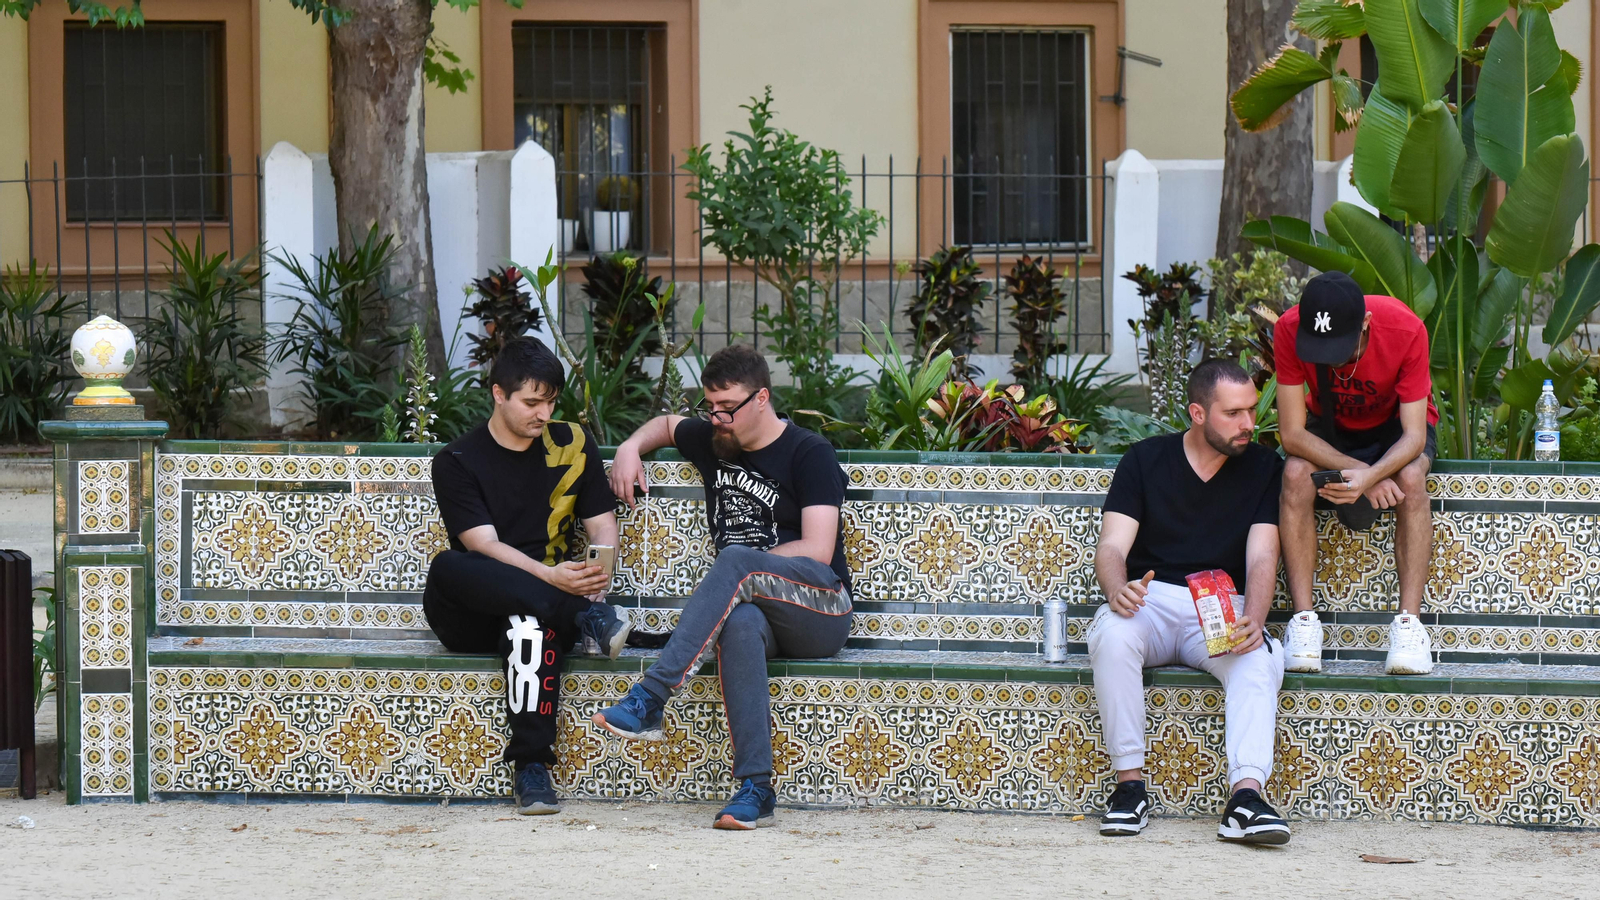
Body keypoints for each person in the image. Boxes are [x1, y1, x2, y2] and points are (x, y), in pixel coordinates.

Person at [593, 345, 853, 831]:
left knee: (735, 563)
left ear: (761, 399)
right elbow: (669, 425)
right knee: (740, 622)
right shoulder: (716, 437)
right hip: (760, 608)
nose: (717, 419)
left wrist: (742, 570)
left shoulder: (808, 452)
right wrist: (628, 448)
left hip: (821, 609)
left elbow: (819, 549)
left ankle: (651, 696)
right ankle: (756, 788)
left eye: (727, 408)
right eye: (710, 407)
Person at [424, 336, 632, 816]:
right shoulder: (457, 461)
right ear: (499, 394)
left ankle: (531, 770)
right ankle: (586, 619)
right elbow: (484, 544)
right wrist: (555, 582)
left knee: (529, 627)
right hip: (474, 608)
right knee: (448, 566)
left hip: (539, 607)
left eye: (551, 402)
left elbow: (601, 525)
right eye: (532, 402)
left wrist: (595, 576)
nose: (543, 413)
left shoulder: (571, 444)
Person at [1089, 359, 1289, 844]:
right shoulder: (1144, 460)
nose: (1249, 424)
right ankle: (1129, 788)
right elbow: (1112, 547)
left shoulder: (1265, 466)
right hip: (1151, 600)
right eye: (1234, 413)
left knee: (1258, 658)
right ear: (1198, 413)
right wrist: (1118, 589)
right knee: (1112, 637)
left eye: (1252, 410)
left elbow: (1263, 554)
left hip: (1222, 605)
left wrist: (1255, 618)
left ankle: (1245, 799)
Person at [1274, 271, 1437, 675]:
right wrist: (1366, 473)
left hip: (1394, 430)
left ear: (1365, 323)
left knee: (1413, 479)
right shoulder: (1288, 329)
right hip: (1328, 430)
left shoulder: (1405, 329)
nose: (1331, 357)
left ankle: (1409, 626)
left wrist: (1376, 473)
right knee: (1294, 474)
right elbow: (1293, 433)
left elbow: (1415, 437)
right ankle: (1305, 623)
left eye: (1341, 348)